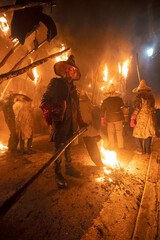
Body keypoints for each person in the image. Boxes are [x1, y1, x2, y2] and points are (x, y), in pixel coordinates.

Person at [41, 55, 88, 189]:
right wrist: (51, 110)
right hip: (59, 121)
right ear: (63, 71)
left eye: (71, 69)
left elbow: (77, 109)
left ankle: (68, 167)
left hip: (71, 123)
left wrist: (81, 122)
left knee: (68, 146)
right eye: (66, 69)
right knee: (59, 148)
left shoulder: (75, 91)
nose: (68, 71)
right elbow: (45, 100)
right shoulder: (55, 83)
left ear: (75, 73)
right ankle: (58, 174)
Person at [130, 80, 158, 155]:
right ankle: (147, 150)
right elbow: (152, 107)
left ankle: (140, 150)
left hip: (141, 117)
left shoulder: (139, 96)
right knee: (148, 133)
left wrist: (133, 118)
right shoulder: (151, 96)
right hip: (149, 116)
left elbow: (137, 108)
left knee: (137, 133)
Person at [101, 83, 124, 149]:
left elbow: (102, 110)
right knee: (119, 132)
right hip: (119, 118)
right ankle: (120, 146)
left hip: (110, 119)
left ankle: (111, 145)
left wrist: (102, 118)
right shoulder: (119, 99)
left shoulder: (105, 101)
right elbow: (122, 106)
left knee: (110, 133)